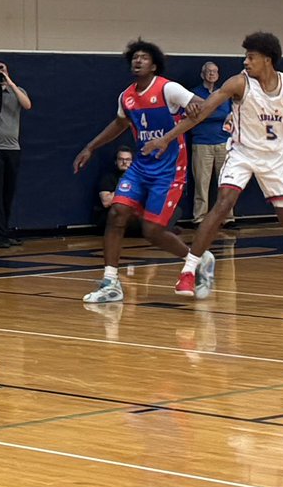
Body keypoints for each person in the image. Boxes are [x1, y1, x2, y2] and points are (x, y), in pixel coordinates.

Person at [143, 32, 283, 299]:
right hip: (241, 153)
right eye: (245, 56)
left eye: (251, 57)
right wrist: (167, 139)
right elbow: (202, 112)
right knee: (222, 204)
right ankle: (189, 271)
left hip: (275, 159)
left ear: (268, 60)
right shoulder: (239, 83)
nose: (245, 62)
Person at [73, 39, 213, 304]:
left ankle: (198, 259)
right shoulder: (126, 97)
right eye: (135, 57)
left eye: (144, 57)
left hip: (169, 169)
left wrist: (185, 115)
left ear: (154, 64)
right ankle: (111, 282)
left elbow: (200, 106)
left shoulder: (168, 88)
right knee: (116, 213)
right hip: (141, 166)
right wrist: (90, 147)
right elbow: (119, 123)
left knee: (152, 231)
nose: (138, 61)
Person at [0, 60, 32, 247]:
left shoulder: (17, 90)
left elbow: (27, 105)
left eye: (2, 71)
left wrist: (9, 82)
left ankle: (5, 231)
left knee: (8, 193)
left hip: (12, 148)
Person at [189, 61, 233, 223]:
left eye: (215, 71)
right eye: (208, 71)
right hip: (201, 143)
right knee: (202, 183)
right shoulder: (194, 93)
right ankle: (199, 217)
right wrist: (212, 113)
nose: (212, 74)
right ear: (203, 74)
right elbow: (197, 116)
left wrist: (208, 112)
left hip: (223, 143)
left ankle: (227, 217)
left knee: (226, 183)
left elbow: (227, 114)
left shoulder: (224, 93)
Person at [94, 146, 137, 233]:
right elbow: (106, 202)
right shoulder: (108, 178)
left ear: (132, 162)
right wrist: (125, 188)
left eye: (128, 159)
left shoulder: (137, 178)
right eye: (121, 159)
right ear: (116, 161)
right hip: (111, 217)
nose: (124, 162)